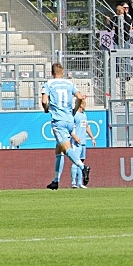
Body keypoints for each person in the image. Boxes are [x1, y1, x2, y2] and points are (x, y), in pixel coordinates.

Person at [41, 62, 90, 190]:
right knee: (59, 150)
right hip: (69, 120)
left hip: (59, 121)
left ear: (52, 73)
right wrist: (74, 109)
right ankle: (56, 181)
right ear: (62, 72)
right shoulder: (69, 83)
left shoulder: (49, 84)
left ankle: (82, 167)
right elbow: (79, 97)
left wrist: (46, 109)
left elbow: (44, 101)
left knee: (66, 147)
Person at [70, 98, 95, 189]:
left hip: (83, 142)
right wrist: (75, 137)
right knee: (75, 162)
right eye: (84, 104)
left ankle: (80, 183)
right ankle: (73, 183)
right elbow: (70, 128)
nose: (85, 105)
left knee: (81, 162)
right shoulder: (74, 115)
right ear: (80, 104)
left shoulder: (84, 115)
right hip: (76, 142)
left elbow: (87, 127)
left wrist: (92, 138)